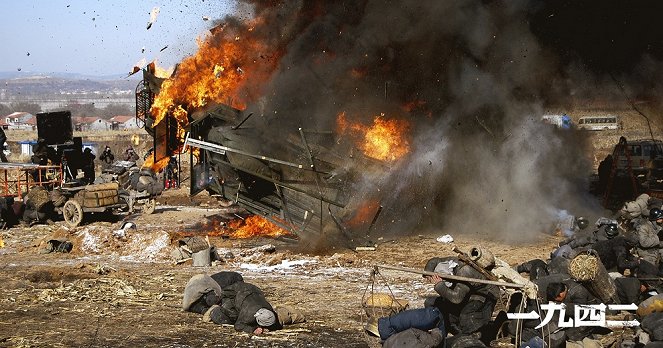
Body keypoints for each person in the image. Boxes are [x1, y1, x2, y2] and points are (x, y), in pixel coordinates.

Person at [206, 281, 282, 334]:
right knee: (231, 316)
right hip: (235, 293)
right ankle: (214, 310)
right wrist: (253, 329)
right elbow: (238, 326)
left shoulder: (269, 309)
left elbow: (275, 324)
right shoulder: (248, 314)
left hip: (251, 291)